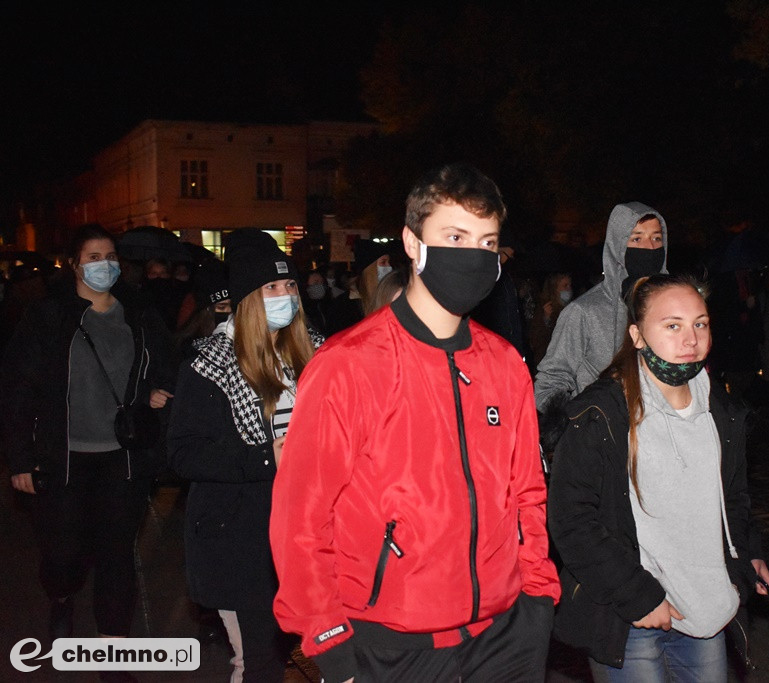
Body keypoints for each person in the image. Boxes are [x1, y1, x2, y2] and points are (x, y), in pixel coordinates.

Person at [269, 163, 559, 682]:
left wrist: (538, 596)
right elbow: (302, 518)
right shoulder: (347, 366)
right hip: (394, 644)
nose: (472, 256)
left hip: (507, 636)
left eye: (486, 243)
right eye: (454, 236)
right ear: (411, 241)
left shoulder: (505, 363)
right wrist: (328, 636)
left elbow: (527, 494)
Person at [548, 273, 764, 682]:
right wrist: (637, 596)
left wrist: (745, 553)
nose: (691, 339)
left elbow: (732, 498)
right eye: (673, 325)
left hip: (706, 609)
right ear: (638, 335)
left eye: (700, 323)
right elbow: (571, 519)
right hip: (631, 615)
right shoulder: (601, 414)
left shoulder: (723, 410)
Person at [2, 224, 173, 680]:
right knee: (64, 552)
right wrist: (20, 459)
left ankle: (112, 650)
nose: (105, 265)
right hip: (65, 457)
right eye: (94, 257)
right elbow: (18, 387)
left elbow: (163, 366)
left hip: (123, 456)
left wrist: (157, 391)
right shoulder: (50, 316)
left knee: (117, 554)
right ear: (76, 265)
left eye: (111, 256)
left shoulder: (138, 313)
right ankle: (61, 595)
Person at [167, 230, 323, 682]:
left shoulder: (312, 348)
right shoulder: (210, 363)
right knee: (258, 661)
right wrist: (263, 457)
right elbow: (182, 453)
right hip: (239, 533)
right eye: (272, 288)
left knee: (317, 650)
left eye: (290, 286)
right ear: (248, 298)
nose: (285, 295)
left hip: (306, 526)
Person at [533, 202, 669, 414]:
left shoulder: (675, 308)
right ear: (618, 244)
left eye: (656, 238)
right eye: (636, 239)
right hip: (604, 439)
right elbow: (550, 383)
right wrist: (582, 424)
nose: (650, 248)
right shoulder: (584, 312)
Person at [528, 271, 573, 368]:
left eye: (570, 285)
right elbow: (536, 340)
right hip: (549, 366)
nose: (569, 289)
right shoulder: (545, 309)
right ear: (554, 290)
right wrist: (546, 319)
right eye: (565, 286)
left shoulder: (572, 308)